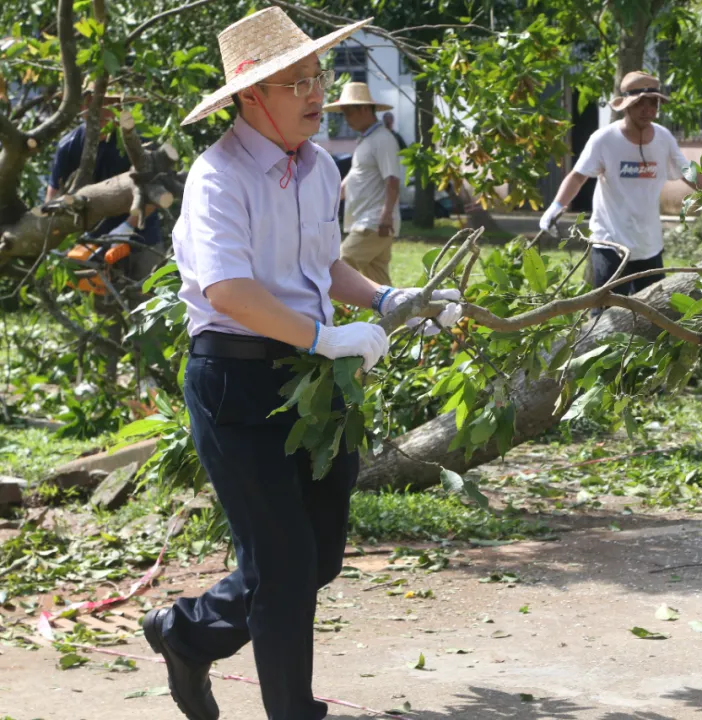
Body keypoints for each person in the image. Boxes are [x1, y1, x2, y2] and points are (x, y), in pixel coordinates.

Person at [139, 9, 461, 720]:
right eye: (298, 83)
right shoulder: (217, 177)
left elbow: (324, 266)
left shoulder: (319, 165)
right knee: (282, 567)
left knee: (314, 558)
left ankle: (186, 634)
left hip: (315, 386)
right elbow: (229, 291)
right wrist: (322, 338)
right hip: (237, 382)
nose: (318, 93)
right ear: (251, 96)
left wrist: (389, 299)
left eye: (319, 76)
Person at [539, 71, 702, 295]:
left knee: (654, 312)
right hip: (610, 242)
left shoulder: (664, 138)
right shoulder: (604, 139)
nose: (647, 110)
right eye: (640, 104)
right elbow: (578, 176)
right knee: (607, 312)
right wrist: (556, 207)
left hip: (649, 244)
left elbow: (688, 172)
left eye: (653, 103)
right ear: (626, 105)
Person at [47, 80, 162, 282]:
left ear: (119, 108)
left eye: (109, 104)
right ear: (83, 107)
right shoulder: (69, 146)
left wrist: (127, 227)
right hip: (94, 241)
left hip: (142, 237)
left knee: (148, 295)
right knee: (102, 307)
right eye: (94, 103)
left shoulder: (138, 142)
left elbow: (157, 192)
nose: (102, 111)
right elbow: (53, 195)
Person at [324, 83, 401, 286]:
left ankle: (326, 314)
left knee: (339, 263)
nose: (347, 119)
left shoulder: (383, 138)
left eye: (349, 112)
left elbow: (392, 179)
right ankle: (407, 316)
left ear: (365, 109)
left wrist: (385, 216)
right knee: (378, 284)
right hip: (366, 221)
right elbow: (351, 181)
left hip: (373, 222)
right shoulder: (366, 140)